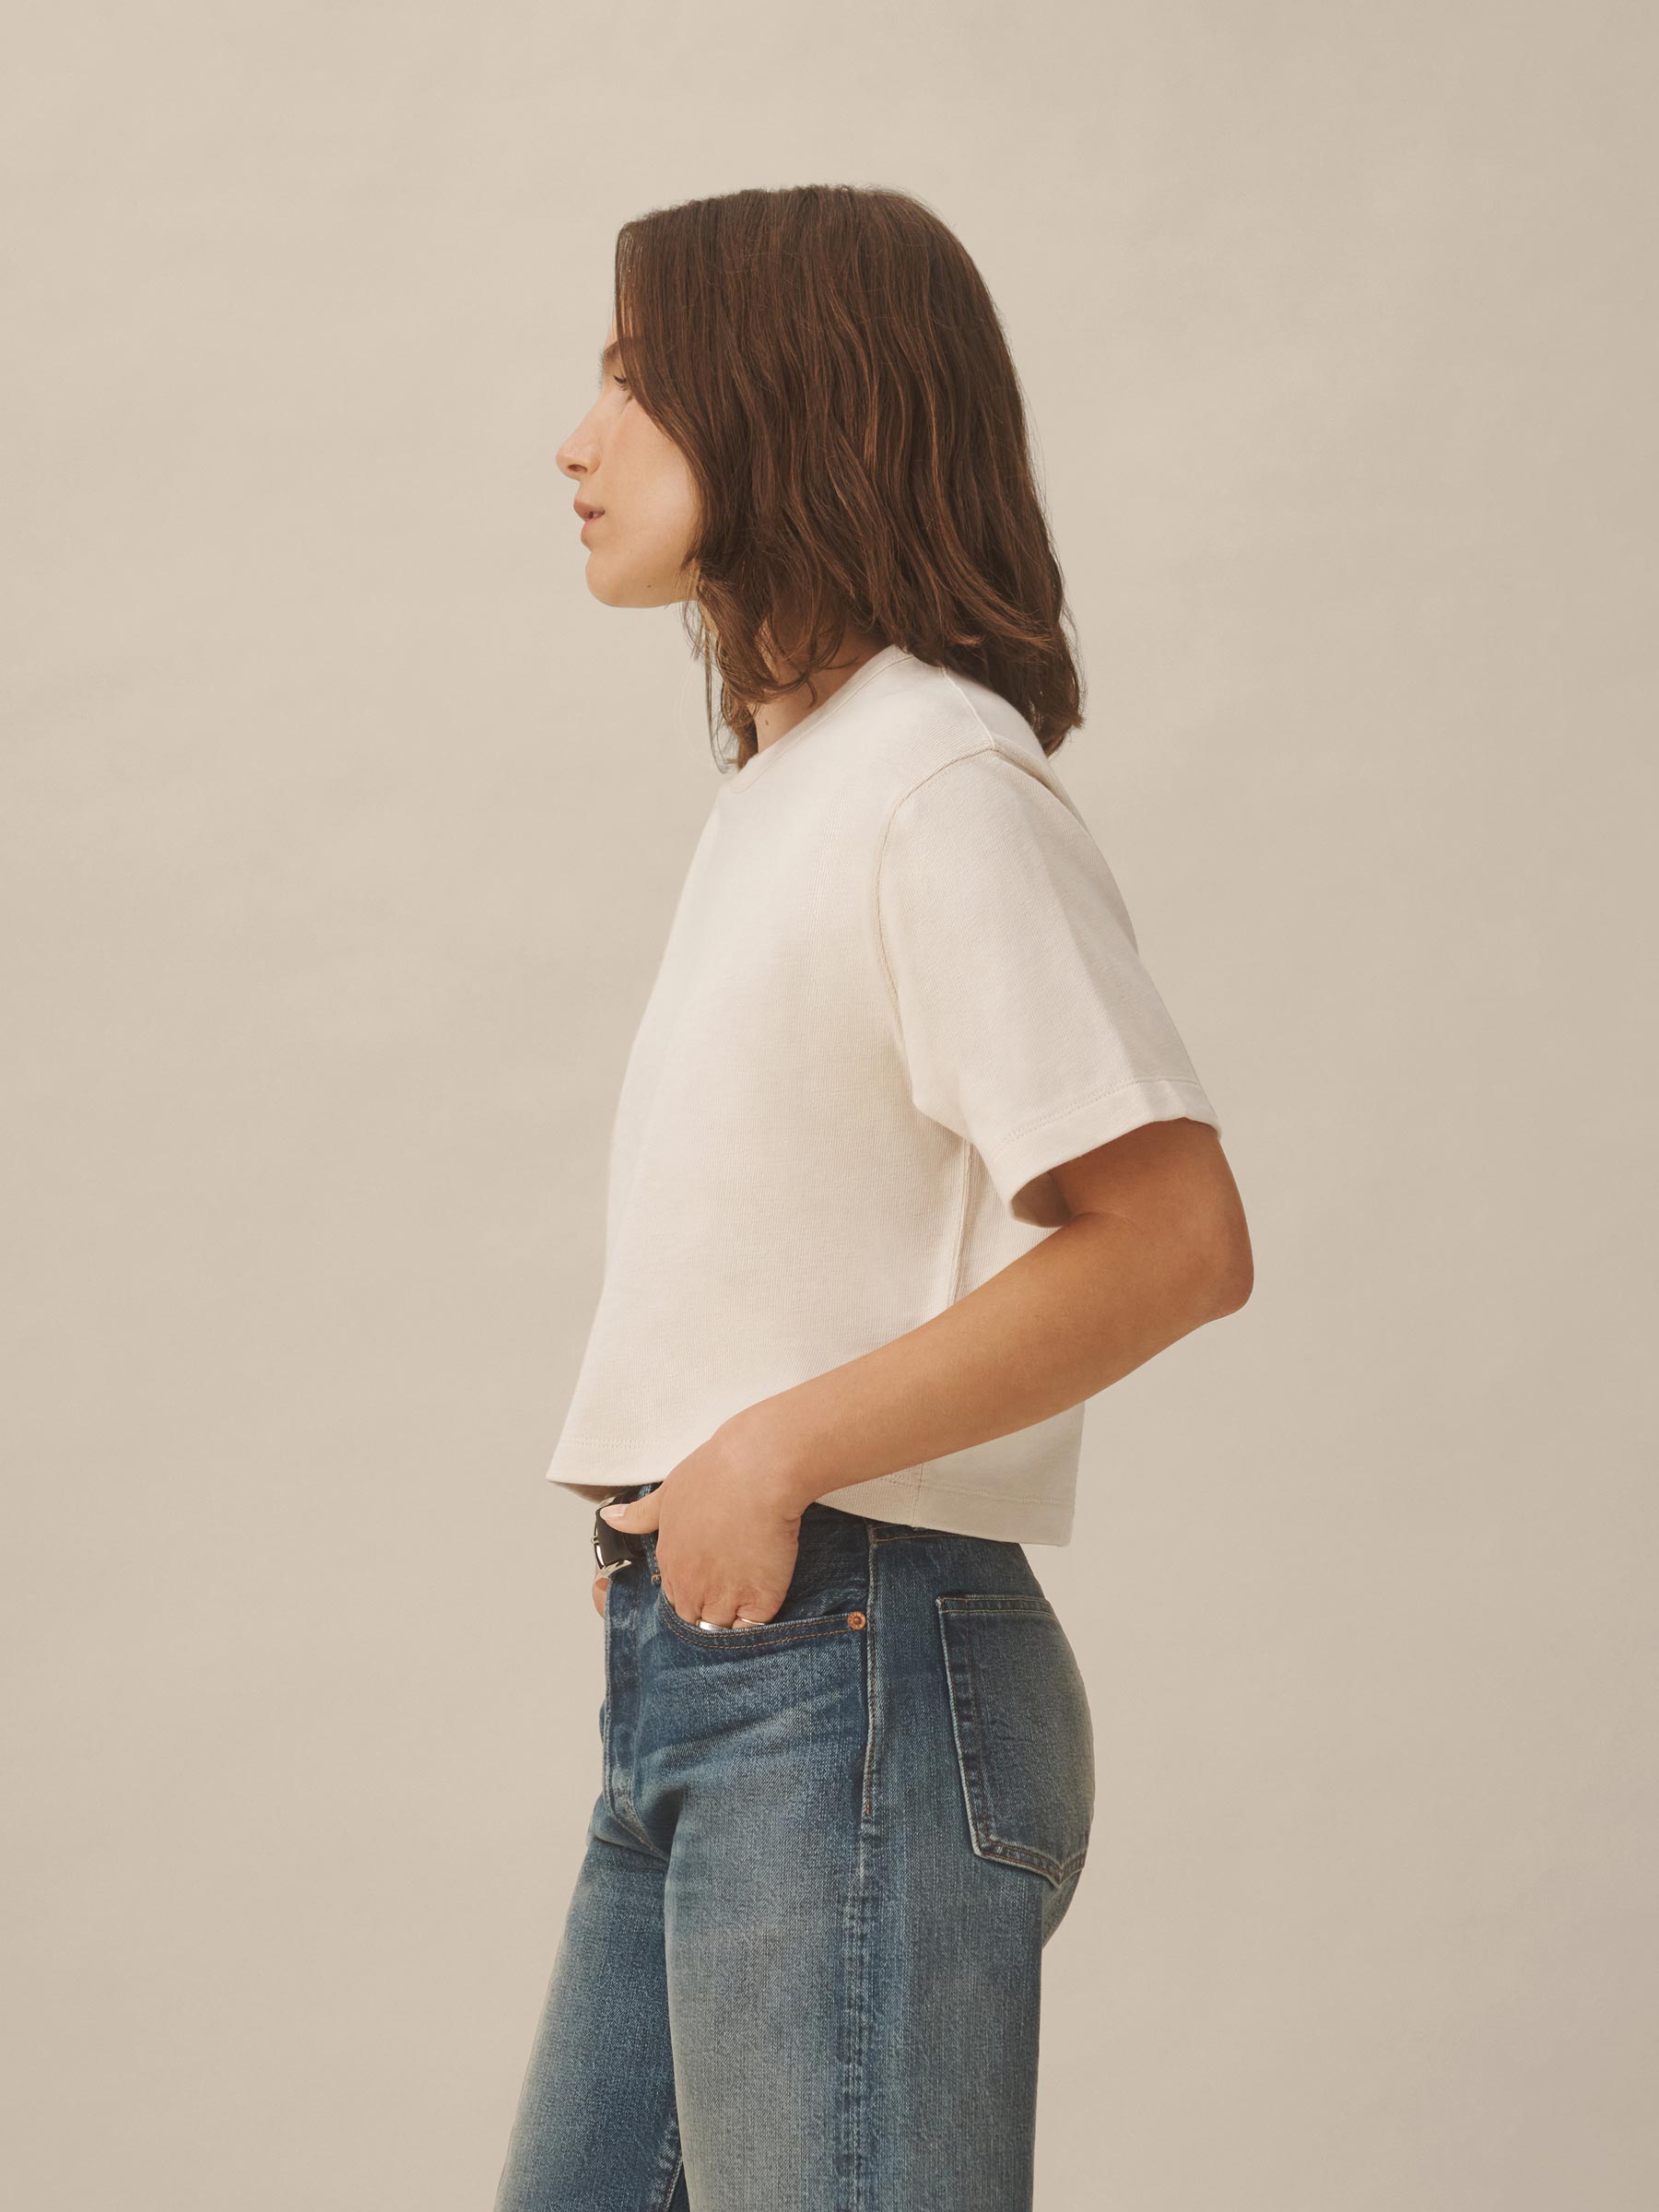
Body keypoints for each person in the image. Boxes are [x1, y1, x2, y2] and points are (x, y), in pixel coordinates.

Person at [492, 184, 1253, 2212]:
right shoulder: (789, 788)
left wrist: (771, 1453)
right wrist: (669, 1492)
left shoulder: (936, 781)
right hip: (724, 1679)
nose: (576, 440)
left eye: (635, 382)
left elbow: (1177, 1238)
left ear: (783, 400)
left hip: (853, 1669)